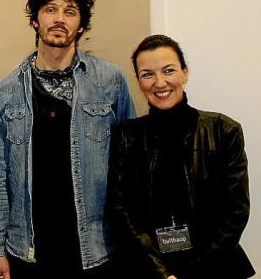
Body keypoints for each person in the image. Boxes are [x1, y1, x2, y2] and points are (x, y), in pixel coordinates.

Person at [0, 0, 135, 279]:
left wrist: (130, 243)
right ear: (35, 21)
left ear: (81, 26)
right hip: (27, 249)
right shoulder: (8, 90)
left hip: (96, 249)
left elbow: (131, 167)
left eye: (70, 12)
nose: (59, 19)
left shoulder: (110, 81)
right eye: (50, 10)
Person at [106, 34, 255, 279]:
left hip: (217, 266)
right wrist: (164, 273)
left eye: (169, 70)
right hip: (150, 268)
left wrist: (191, 273)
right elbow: (120, 210)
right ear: (139, 81)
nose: (160, 82)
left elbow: (236, 211)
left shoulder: (223, 130)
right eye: (147, 74)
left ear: (185, 73)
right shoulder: (126, 135)